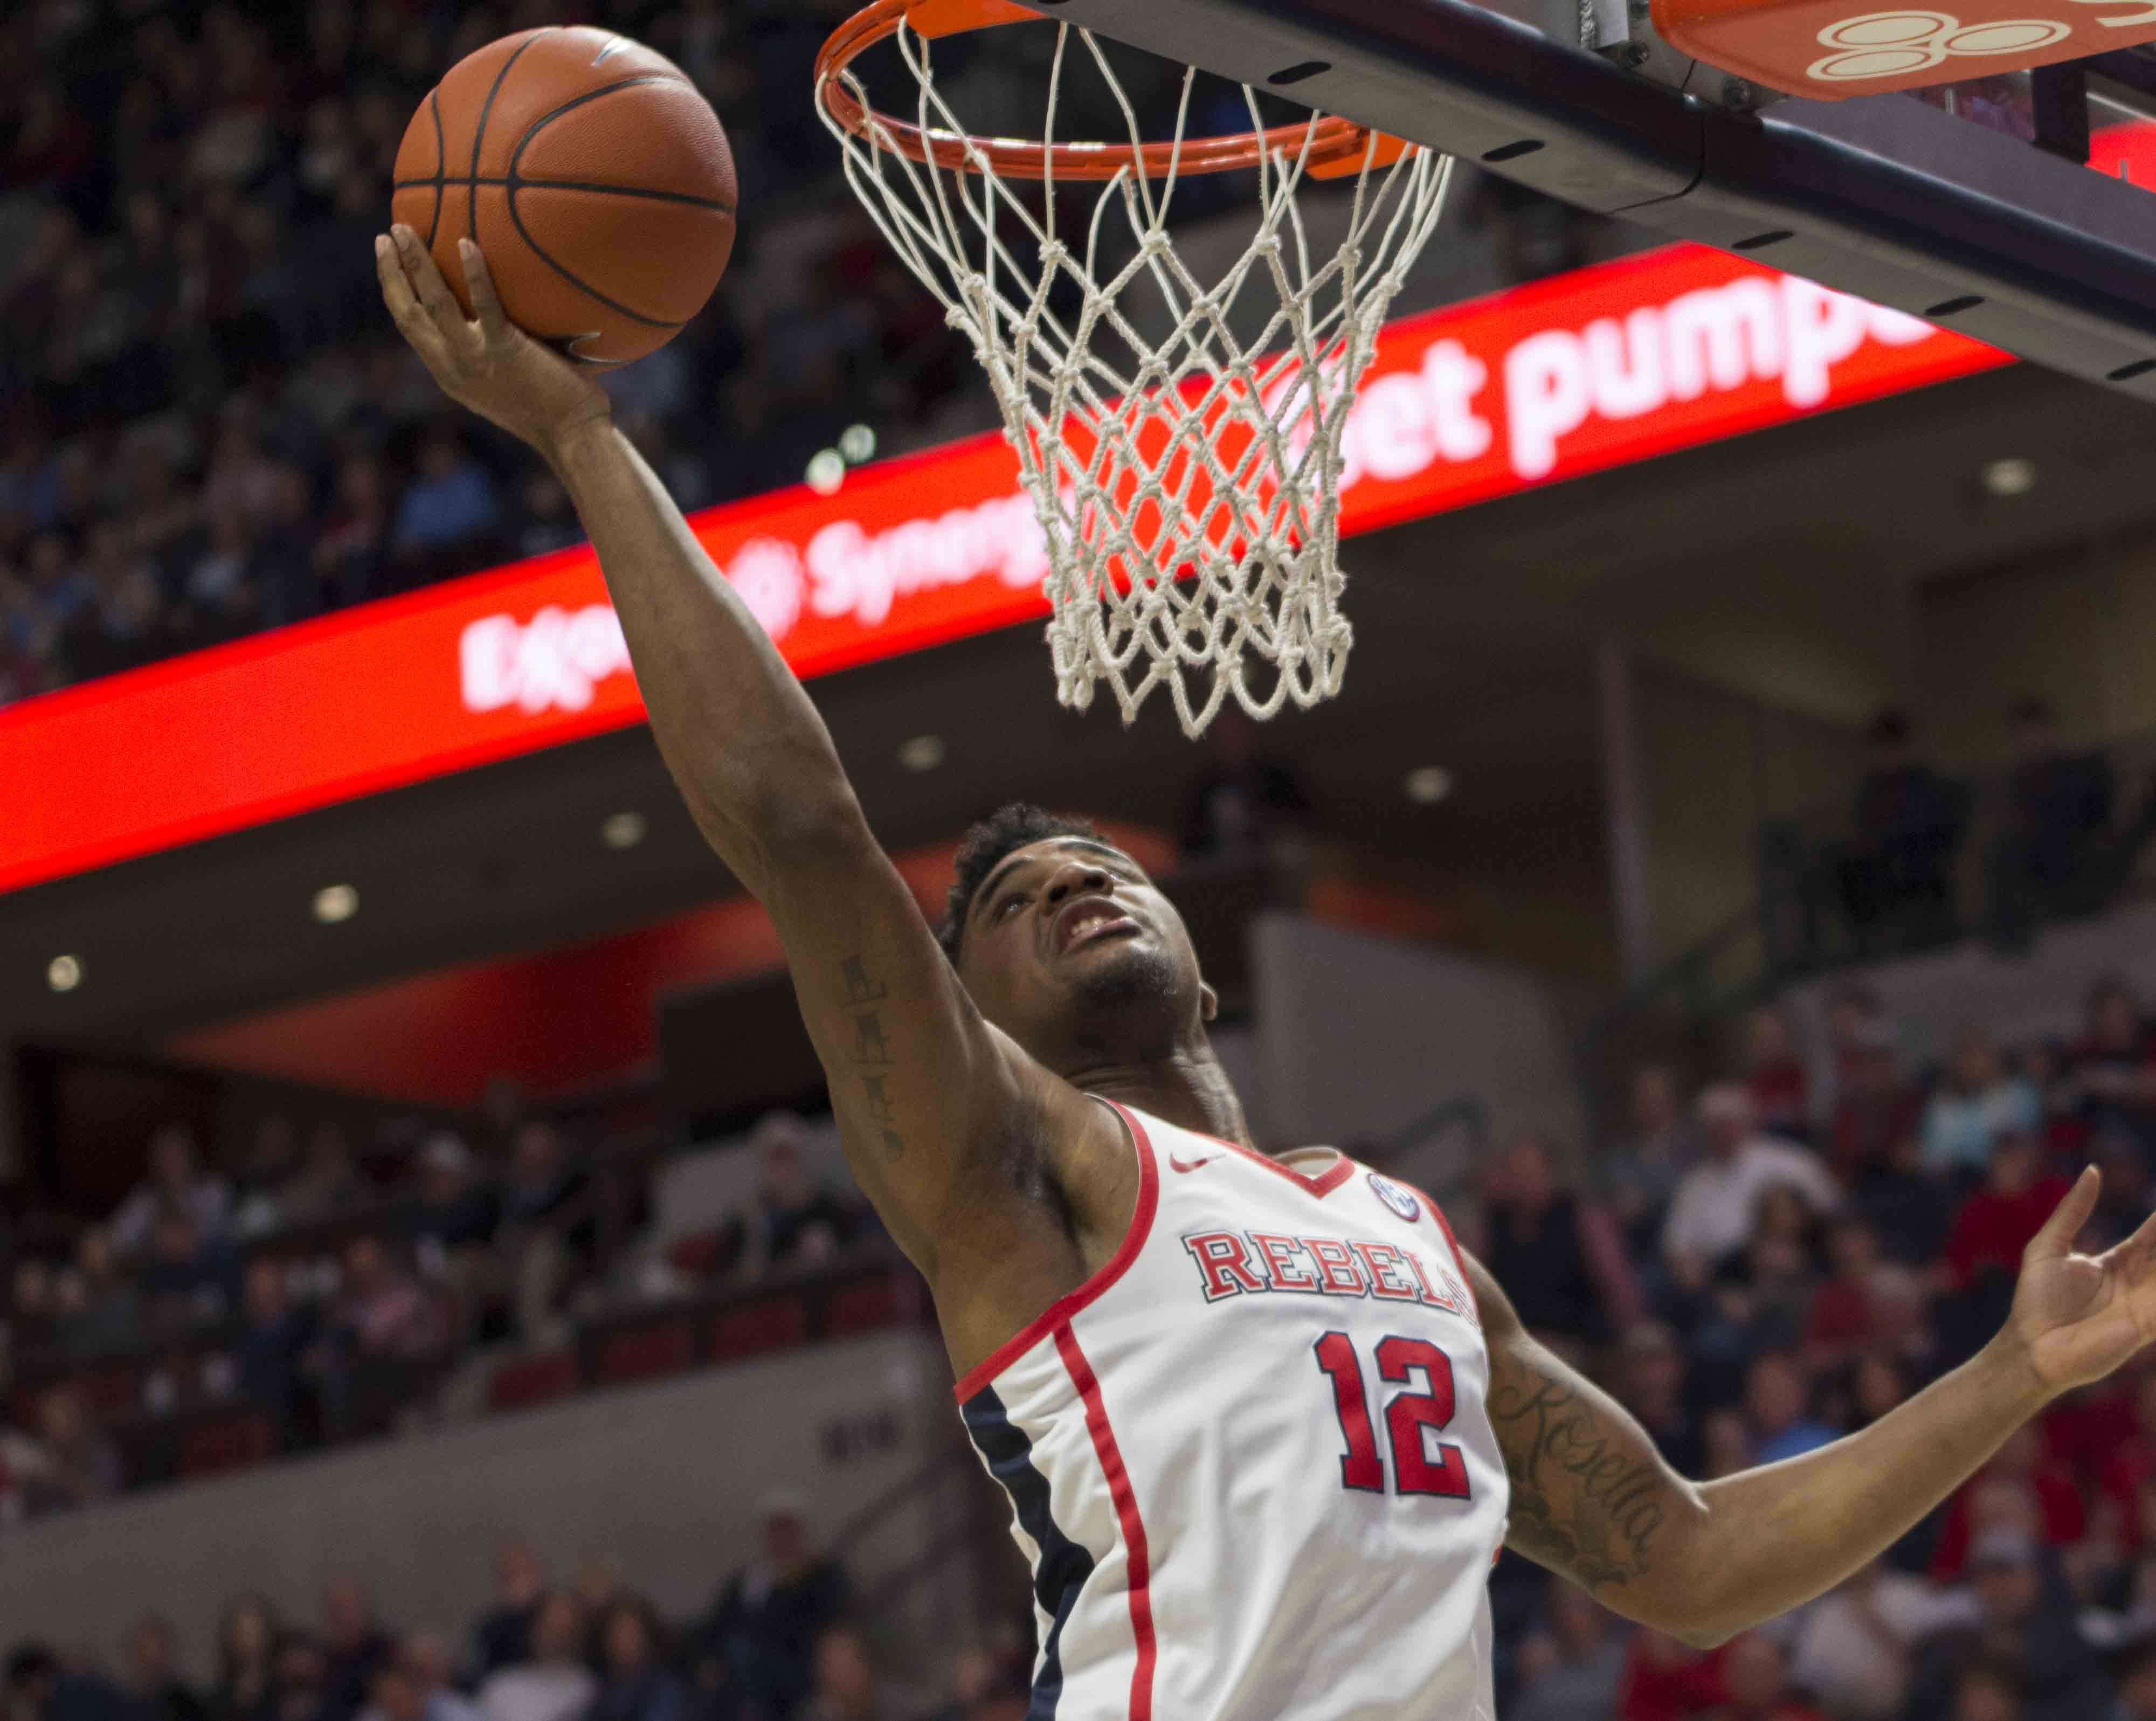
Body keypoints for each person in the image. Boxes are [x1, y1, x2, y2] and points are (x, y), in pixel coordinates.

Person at [381, 223, 2156, 1721]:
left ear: (1204, 979)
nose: (1076, 884)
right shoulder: (1022, 1170)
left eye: (1105, 866)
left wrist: (2017, 1373)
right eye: (1013, 902)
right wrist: (586, 443)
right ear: (967, 1019)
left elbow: (1684, 1562)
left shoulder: (1409, 1241)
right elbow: (801, 832)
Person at [1470, 1130, 1640, 1352]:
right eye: (1516, 1174)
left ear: (1550, 1175)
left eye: (1531, 1174)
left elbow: (1618, 1287)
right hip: (1512, 1343)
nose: (1524, 1183)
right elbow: (1472, 1285)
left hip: (1575, 1342)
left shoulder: (1583, 1220)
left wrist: (1630, 1334)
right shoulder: (1492, 1223)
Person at [1662, 1085, 1840, 1289]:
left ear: (1749, 1122)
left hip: (1794, 1268)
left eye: (1729, 1123)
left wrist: (1800, 1251)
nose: (1722, 1132)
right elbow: (1677, 1244)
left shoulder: (1790, 1161)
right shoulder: (1694, 1183)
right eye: (1713, 1126)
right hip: (1720, 1278)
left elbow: (1831, 1212)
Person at [695, 1493, 849, 1721]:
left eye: (788, 1530)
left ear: (801, 1534)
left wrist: (789, 1586)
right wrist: (708, 1657)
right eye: (775, 1530)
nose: (781, 1538)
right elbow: (719, 1621)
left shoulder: (822, 1576)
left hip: (798, 1665)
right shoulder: (747, 1579)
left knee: (740, 1653)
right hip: (741, 1668)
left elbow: (825, 1624)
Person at [1836, 709, 1965, 948]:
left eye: (1890, 748)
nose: (1886, 756)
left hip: (1921, 879)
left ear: (1903, 748)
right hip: (1884, 883)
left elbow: (1942, 833)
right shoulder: (1871, 790)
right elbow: (1863, 832)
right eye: (1879, 749)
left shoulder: (1926, 785)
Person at [1922, 1029, 2042, 1182]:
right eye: (1968, 1057)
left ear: (1995, 1058)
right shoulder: (1942, 1104)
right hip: (1953, 1181)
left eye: (1981, 1056)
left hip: (2009, 1177)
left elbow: (2029, 1141)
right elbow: (1932, 1156)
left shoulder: (2020, 1094)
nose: (1975, 1064)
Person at [1510, 1581, 1628, 1721]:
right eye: (1567, 1605)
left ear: (1600, 1609)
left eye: (1581, 1605)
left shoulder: (1624, 1660)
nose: (1572, 1615)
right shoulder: (1537, 1661)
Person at [109, 1125, 231, 1257]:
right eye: (165, 1156)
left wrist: (182, 1234)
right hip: (156, 1267)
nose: (172, 1162)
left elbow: (219, 1230)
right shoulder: (145, 1198)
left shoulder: (214, 1188)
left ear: (191, 1156)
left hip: (208, 1264)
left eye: (178, 1154)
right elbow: (120, 1236)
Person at [475, 1594, 594, 1721]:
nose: (558, 1640)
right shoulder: (500, 1688)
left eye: (566, 1631)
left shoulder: (591, 1690)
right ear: (533, 1630)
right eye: (550, 1628)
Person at [588, 1599, 682, 1721]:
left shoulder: (662, 1688)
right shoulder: (601, 1687)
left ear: (646, 1638)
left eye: (631, 1632)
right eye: (616, 1632)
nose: (622, 1641)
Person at [471, 1538, 549, 1682]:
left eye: (526, 1571)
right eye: (511, 1575)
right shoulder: (489, 1626)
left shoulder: (557, 1615)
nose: (521, 1581)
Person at [118, 1613, 208, 1721]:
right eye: (144, 1651)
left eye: (157, 1650)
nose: (151, 1661)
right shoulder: (119, 1704)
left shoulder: (186, 1703)